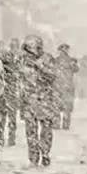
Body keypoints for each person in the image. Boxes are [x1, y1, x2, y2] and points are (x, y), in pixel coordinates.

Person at [19, 36, 58, 166]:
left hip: (44, 99)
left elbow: (53, 76)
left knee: (46, 129)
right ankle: (33, 156)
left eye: (30, 49)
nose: (28, 52)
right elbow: (20, 80)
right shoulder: (23, 60)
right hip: (29, 100)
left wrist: (40, 67)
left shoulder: (48, 58)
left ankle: (45, 152)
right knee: (31, 131)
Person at [53, 44, 79, 129]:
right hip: (66, 86)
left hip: (58, 86)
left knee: (57, 106)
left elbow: (76, 69)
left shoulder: (56, 60)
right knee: (66, 107)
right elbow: (76, 69)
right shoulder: (70, 61)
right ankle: (65, 125)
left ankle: (57, 124)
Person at [3, 39, 22, 146]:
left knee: (6, 116)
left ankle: (7, 137)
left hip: (7, 90)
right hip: (11, 91)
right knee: (11, 116)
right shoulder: (18, 58)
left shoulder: (5, 57)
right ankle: (11, 137)